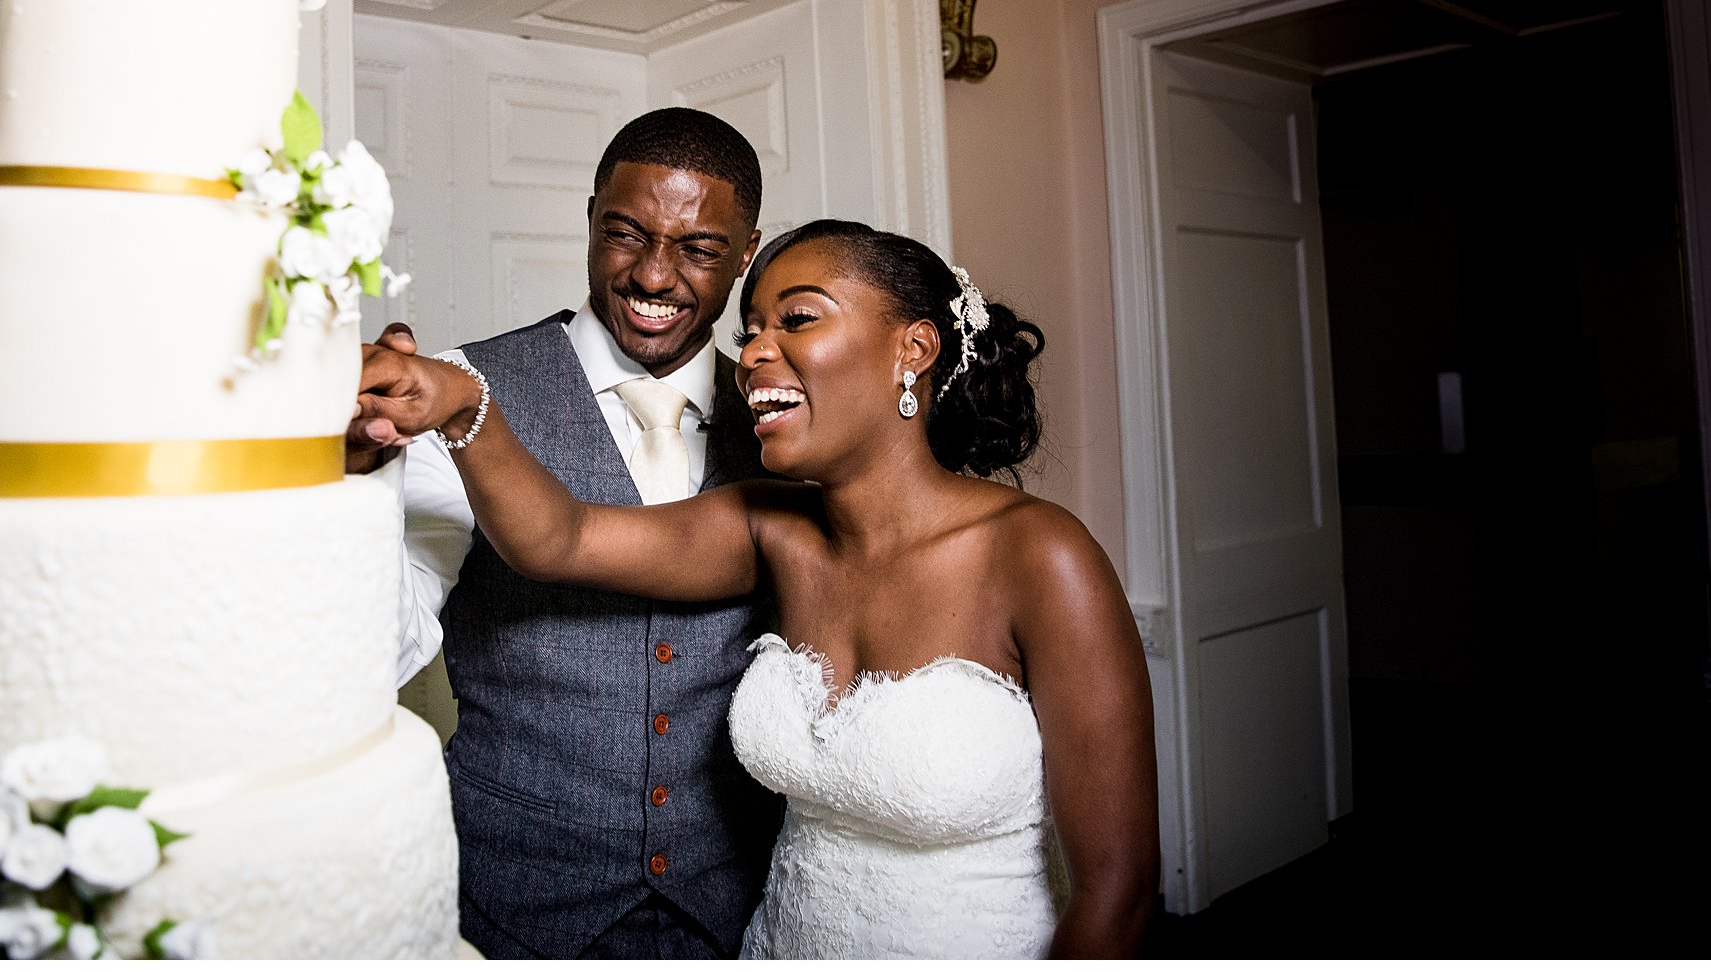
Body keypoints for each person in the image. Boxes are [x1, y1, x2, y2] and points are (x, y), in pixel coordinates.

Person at [358, 219, 1161, 959]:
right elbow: (559, 537)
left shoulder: (1041, 555)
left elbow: (1116, 891)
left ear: (912, 347)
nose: (752, 354)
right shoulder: (767, 526)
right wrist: (464, 404)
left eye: (798, 320)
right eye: (752, 333)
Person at [347, 108, 783, 959]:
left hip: (737, 905)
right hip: (511, 901)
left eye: (698, 248)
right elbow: (380, 655)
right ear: (590, 215)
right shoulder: (462, 393)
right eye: (626, 233)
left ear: (747, 252)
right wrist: (362, 484)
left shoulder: (784, 421)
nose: (654, 275)